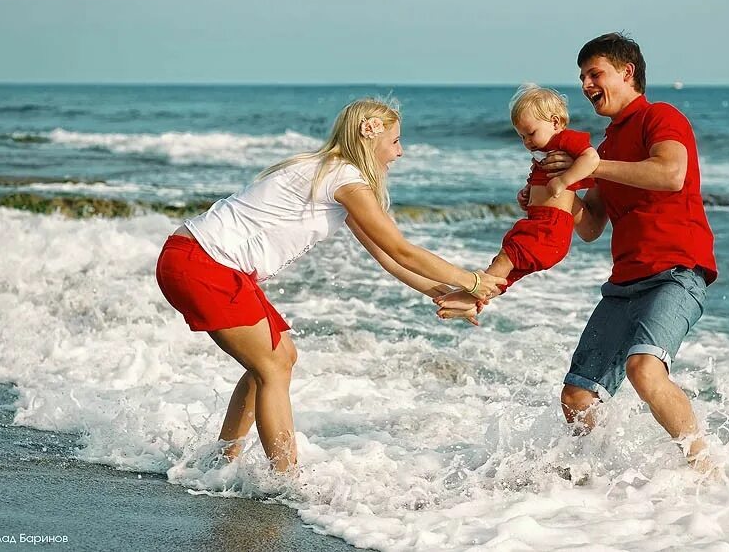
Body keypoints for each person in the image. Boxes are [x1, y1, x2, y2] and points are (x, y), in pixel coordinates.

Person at [155, 98, 506, 471]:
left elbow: (386, 256)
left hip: (200, 258)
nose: (400, 152)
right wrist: (473, 280)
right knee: (272, 366)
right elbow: (402, 250)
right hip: (204, 262)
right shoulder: (346, 181)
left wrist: (443, 292)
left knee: (279, 358)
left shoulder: (332, 174)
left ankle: (221, 459)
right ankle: (283, 479)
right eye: (396, 141)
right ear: (370, 139)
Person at [542, 32, 718, 470]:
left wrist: (593, 167)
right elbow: (592, 225)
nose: (585, 84)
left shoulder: (660, 116)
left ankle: (705, 472)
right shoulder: (603, 147)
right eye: (582, 76)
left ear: (627, 72)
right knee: (577, 395)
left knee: (644, 367)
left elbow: (671, 173)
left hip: (677, 271)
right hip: (624, 283)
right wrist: (555, 191)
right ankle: (601, 482)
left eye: (594, 73)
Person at [433, 84, 599, 318]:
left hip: (550, 228)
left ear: (555, 122)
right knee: (506, 273)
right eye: (522, 136)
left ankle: (473, 291)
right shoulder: (543, 154)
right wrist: (527, 193)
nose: (527, 141)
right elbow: (539, 182)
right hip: (540, 225)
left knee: (505, 258)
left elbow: (591, 158)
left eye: (531, 133)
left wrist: (564, 181)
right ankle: (473, 303)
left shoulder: (565, 140)